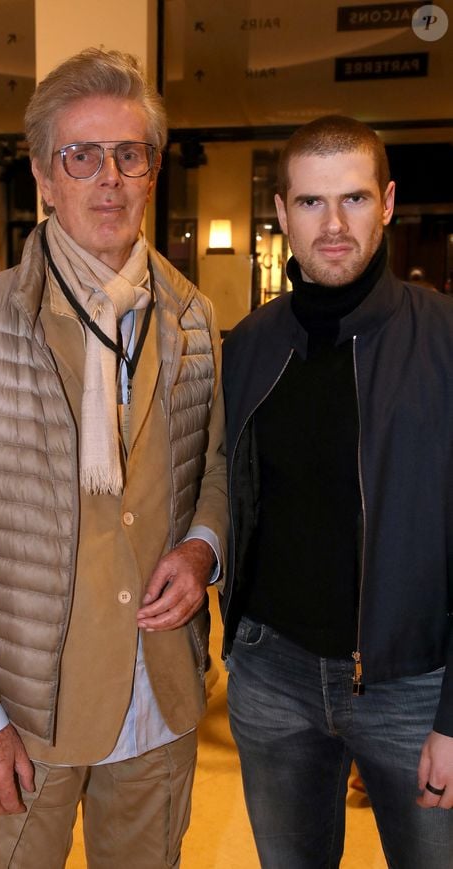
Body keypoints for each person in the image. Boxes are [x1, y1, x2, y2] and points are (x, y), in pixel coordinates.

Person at [0, 47, 227, 869]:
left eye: (129, 154)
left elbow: (216, 467)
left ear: (153, 172)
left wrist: (203, 548)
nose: (108, 179)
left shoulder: (193, 316)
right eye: (81, 156)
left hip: (158, 696)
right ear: (46, 178)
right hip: (25, 710)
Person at [221, 115, 453, 868]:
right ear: (281, 213)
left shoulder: (444, 340)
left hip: (414, 686)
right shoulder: (248, 346)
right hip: (272, 677)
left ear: (387, 202)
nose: (333, 225)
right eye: (311, 202)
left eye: (353, 198)